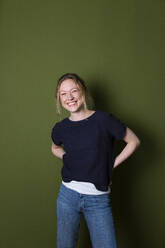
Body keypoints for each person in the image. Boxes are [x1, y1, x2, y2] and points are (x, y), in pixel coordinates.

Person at [51, 73, 140, 248]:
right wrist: (66, 157)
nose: (69, 97)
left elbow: (134, 141)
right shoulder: (60, 128)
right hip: (67, 196)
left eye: (74, 91)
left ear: (83, 91)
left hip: (97, 200)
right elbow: (55, 148)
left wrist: (110, 165)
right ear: (59, 99)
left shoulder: (104, 120)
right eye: (63, 93)